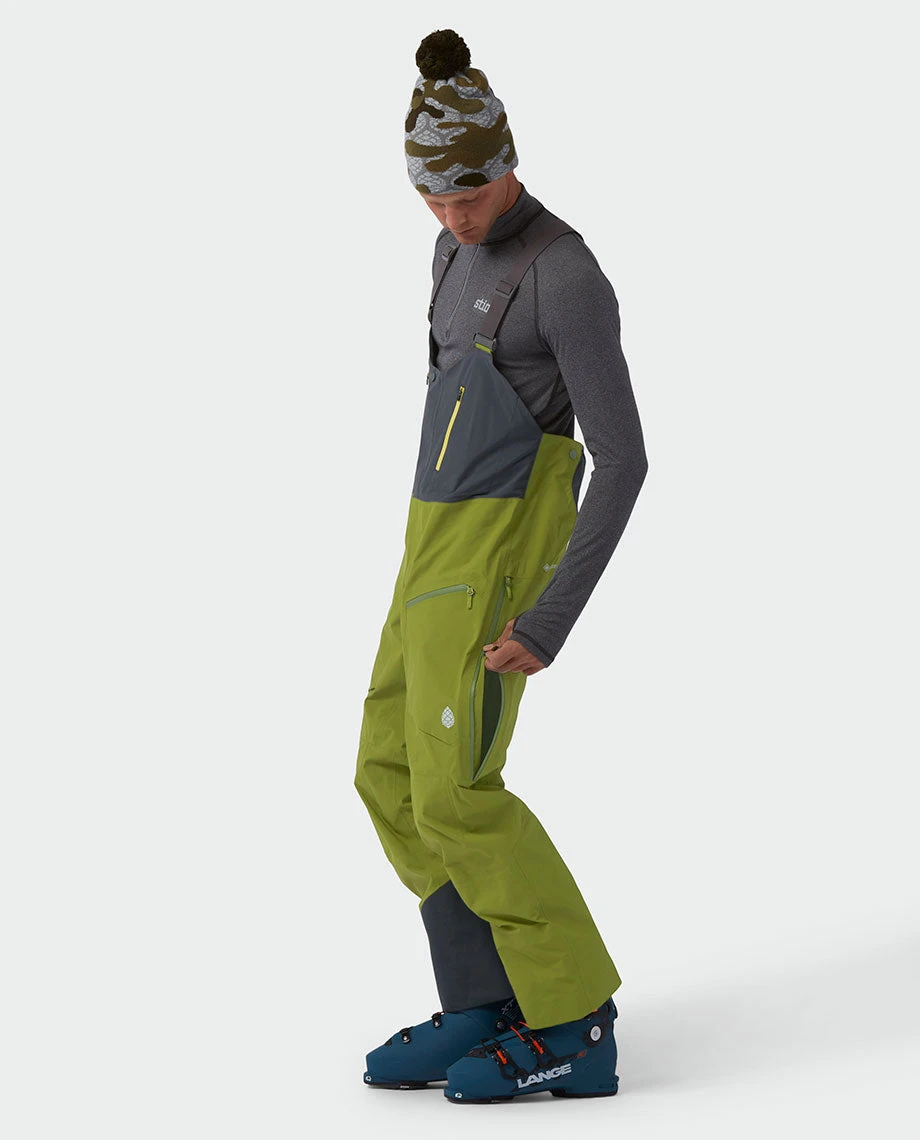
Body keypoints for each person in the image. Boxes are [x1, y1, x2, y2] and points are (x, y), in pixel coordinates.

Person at [354, 28, 648, 1105]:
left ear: (506, 163)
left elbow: (623, 459)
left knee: (459, 793)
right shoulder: (449, 253)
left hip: (493, 565)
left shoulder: (564, 276)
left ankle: (574, 1021)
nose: (452, 217)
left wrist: (549, 617)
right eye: (431, 199)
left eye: (468, 195)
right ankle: (485, 996)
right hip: (427, 550)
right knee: (388, 772)